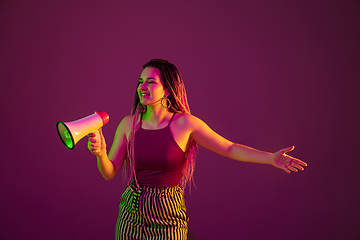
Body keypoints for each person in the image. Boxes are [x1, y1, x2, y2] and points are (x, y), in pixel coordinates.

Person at [87, 59, 307, 240]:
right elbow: (108, 172)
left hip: (168, 216)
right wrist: (100, 153)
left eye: (151, 82)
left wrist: (270, 158)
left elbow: (229, 147)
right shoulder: (128, 124)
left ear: (168, 90)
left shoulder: (185, 124)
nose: (143, 87)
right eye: (140, 81)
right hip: (130, 214)